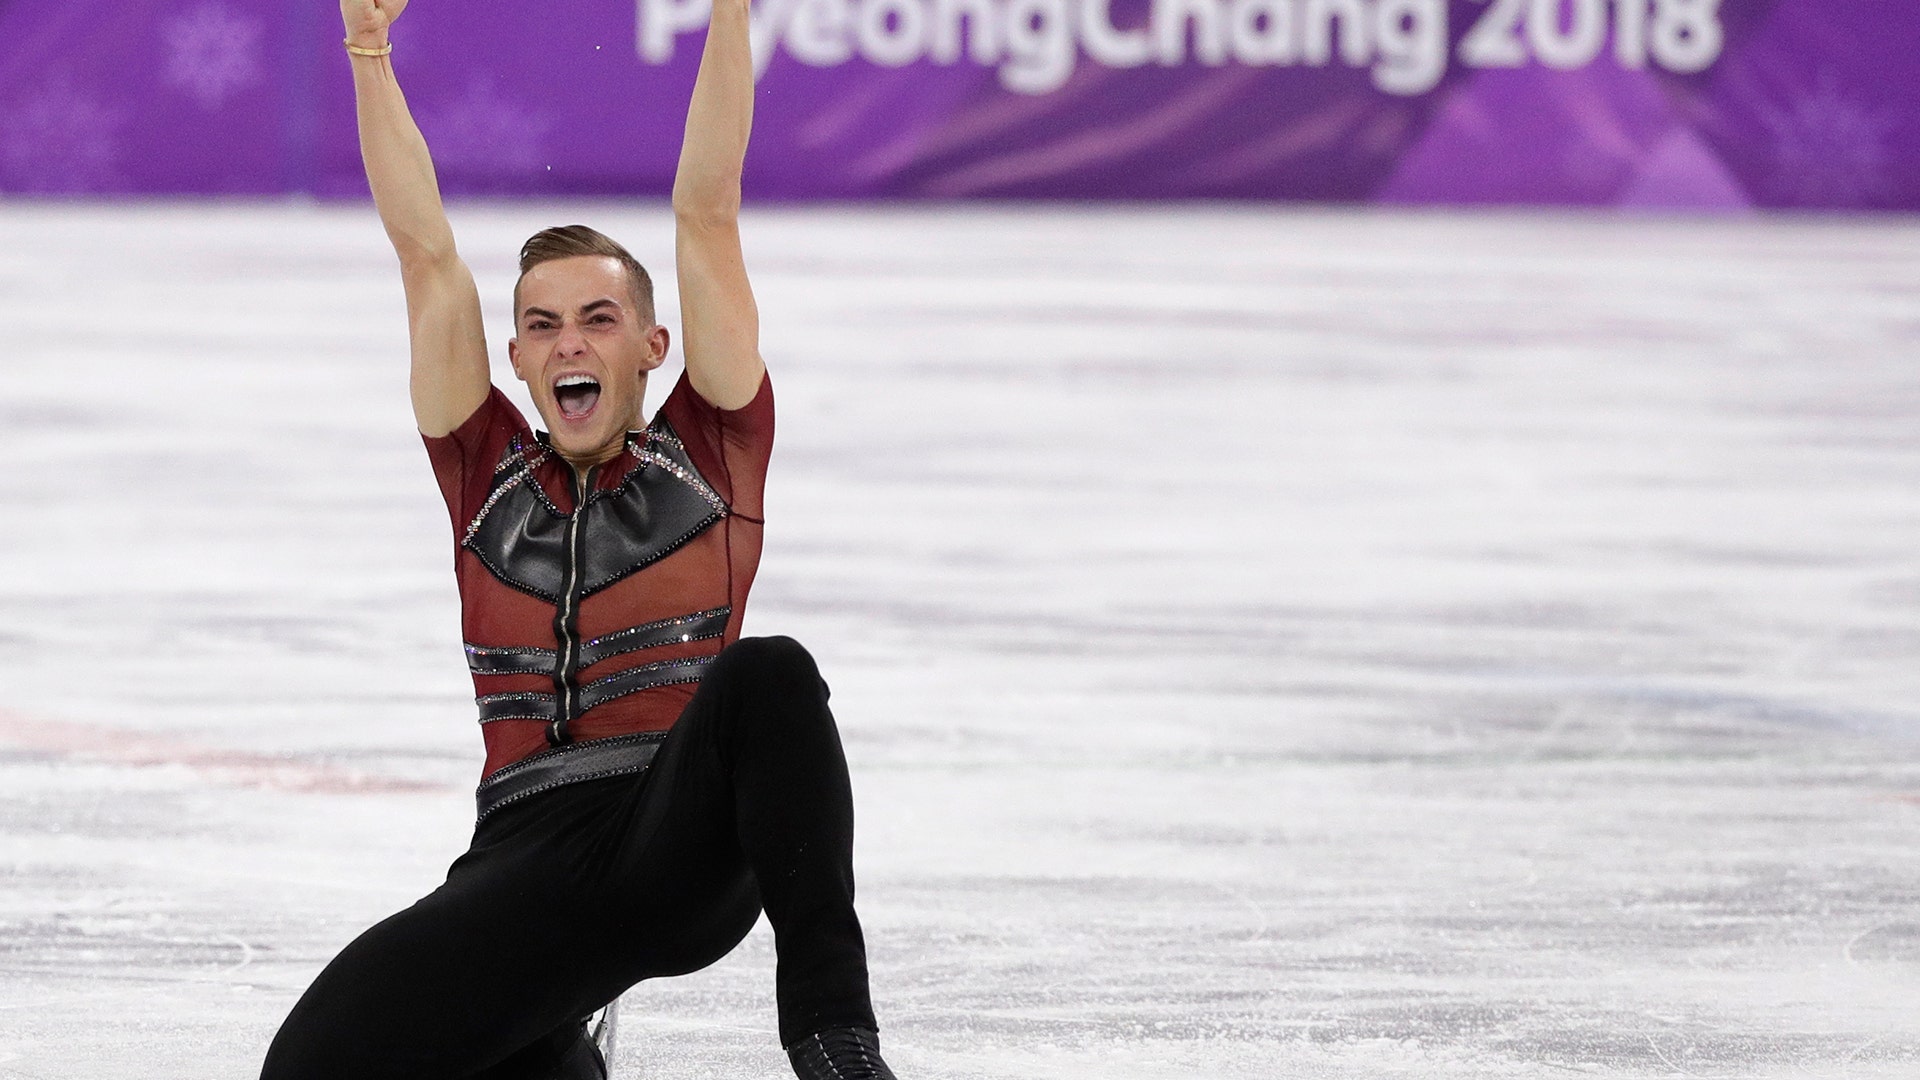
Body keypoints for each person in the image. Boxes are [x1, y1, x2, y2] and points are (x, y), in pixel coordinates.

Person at [258, 2, 901, 1077]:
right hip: (518, 858)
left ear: (652, 344)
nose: (570, 343)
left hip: (668, 840)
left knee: (770, 675)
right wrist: (367, 50)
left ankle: (836, 1042)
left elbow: (708, 210)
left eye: (599, 320)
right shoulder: (483, 475)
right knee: (313, 1067)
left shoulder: (712, 454)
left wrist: (729, 10)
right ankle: (557, 1047)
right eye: (544, 325)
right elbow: (425, 253)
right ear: (514, 356)